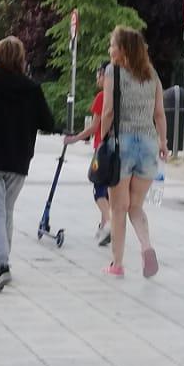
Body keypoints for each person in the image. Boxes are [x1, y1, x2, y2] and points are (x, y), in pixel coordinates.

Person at [0, 36, 59, 292]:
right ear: (20, 59)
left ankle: (1, 264)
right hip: (18, 160)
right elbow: (48, 123)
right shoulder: (32, 89)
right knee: (6, 211)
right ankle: (2, 263)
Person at [100, 25, 168, 280]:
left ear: (123, 49)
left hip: (121, 144)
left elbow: (108, 111)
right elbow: (159, 113)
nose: (110, 48)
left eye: (113, 44)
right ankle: (146, 246)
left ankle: (117, 264)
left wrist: (101, 140)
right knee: (136, 206)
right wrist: (163, 142)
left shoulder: (112, 72)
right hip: (149, 144)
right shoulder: (152, 74)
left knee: (118, 207)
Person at [71, 65, 113, 247]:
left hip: (102, 149)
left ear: (105, 75)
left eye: (99, 75)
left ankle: (110, 223)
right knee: (111, 189)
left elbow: (95, 126)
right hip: (119, 149)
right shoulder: (122, 96)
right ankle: (104, 226)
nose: (97, 78)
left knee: (99, 189)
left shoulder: (103, 96)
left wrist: (75, 138)